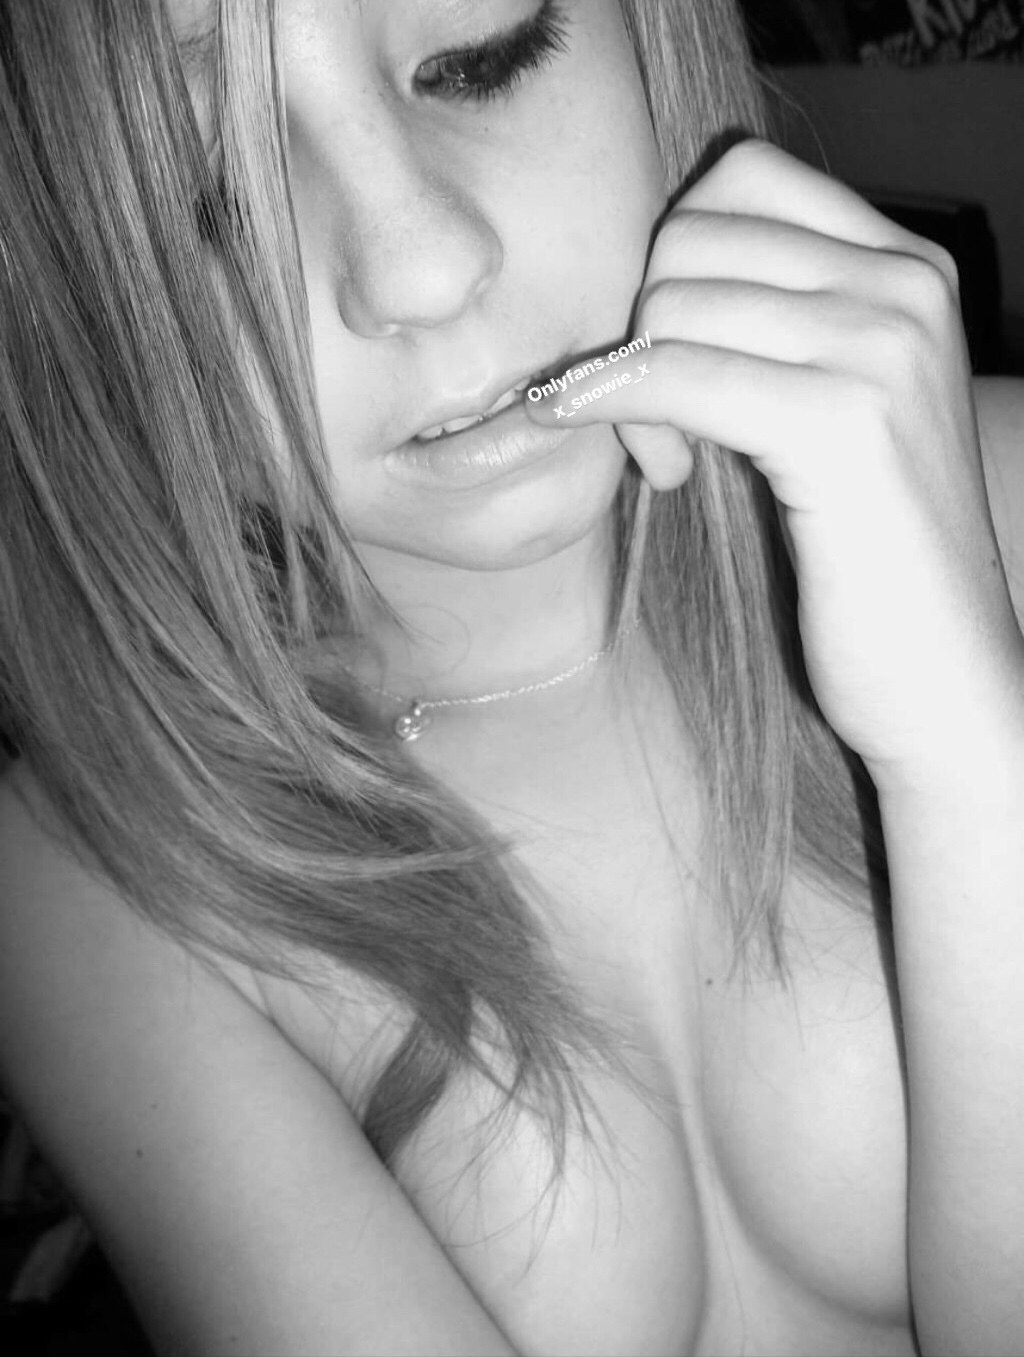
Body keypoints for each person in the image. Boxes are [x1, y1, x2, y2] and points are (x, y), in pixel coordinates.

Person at [1, 1, 1022, 1353]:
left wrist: (965, 746)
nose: (421, 267)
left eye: (481, 55)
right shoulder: (101, 862)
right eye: (206, 184)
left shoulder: (994, 508)